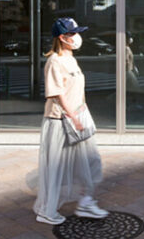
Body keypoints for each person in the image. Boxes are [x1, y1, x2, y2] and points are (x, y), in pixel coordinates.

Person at [33, 17, 108, 226]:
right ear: (61, 37)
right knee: (56, 168)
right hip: (60, 121)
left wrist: (82, 113)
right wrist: (73, 117)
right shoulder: (54, 61)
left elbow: (77, 91)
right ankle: (47, 211)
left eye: (77, 32)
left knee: (91, 162)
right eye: (72, 33)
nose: (77, 37)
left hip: (78, 117)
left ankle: (85, 202)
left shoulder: (71, 59)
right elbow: (57, 94)